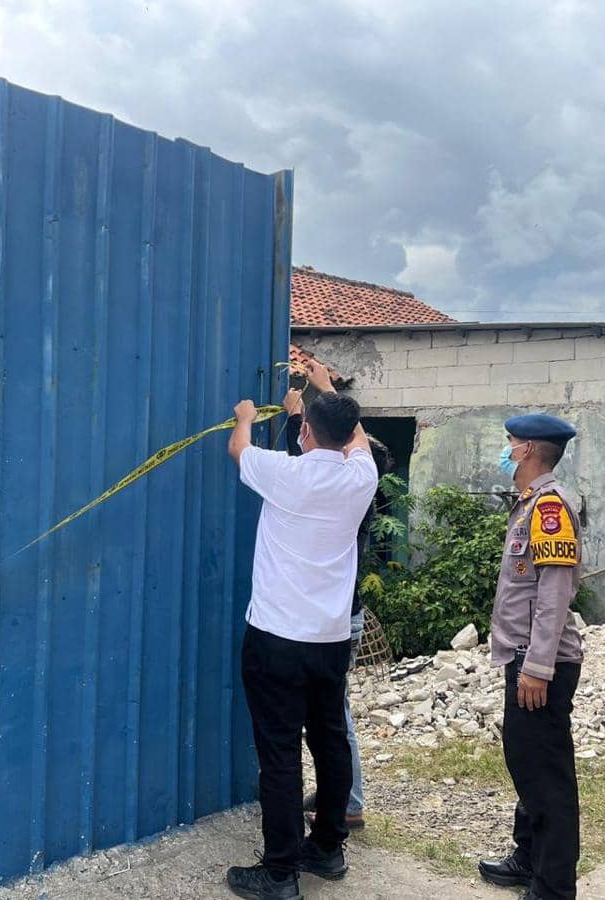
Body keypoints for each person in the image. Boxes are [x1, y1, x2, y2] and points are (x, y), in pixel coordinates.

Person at [225, 360, 379, 900]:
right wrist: (325, 391)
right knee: (330, 741)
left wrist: (245, 417)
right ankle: (328, 848)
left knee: (280, 754)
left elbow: (239, 450)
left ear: (306, 431)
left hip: (276, 640)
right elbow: (356, 438)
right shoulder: (362, 477)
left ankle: (279, 872)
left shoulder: (284, 474)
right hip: (330, 640)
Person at [478, 413, 584, 900]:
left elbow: (554, 595)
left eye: (511, 443)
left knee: (546, 774)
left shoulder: (550, 508)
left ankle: (553, 886)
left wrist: (537, 668)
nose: (506, 451)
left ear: (529, 451)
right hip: (524, 657)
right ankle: (528, 856)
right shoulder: (529, 504)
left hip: (541, 664)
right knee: (527, 763)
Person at [286, 393, 395, 832]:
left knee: (335, 715)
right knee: (330, 712)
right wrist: (305, 412)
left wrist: (306, 413)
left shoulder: (347, 492)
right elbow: (325, 454)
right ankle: (339, 793)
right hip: (340, 618)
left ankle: (349, 801)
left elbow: (317, 459)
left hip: (336, 620)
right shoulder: (356, 487)